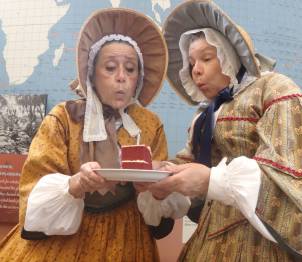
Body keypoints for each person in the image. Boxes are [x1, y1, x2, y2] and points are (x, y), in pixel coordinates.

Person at [137, 1, 302, 261]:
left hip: (263, 242)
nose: (196, 70)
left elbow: (297, 178)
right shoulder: (205, 116)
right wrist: (164, 176)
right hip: (214, 237)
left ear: (229, 55)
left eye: (206, 58)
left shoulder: (273, 89)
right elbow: (195, 163)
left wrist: (211, 180)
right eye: (191, 63)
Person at [0, 7, 176, 262]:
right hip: (66, 239)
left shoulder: (149, 125)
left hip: (127, 239)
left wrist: (155, 185)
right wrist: (75, 184)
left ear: (139, 77)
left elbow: (159, 206)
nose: (121, 78)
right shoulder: (64, 118)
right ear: (91, 73)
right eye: (110, 67)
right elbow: (34, 184)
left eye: (130, 69)